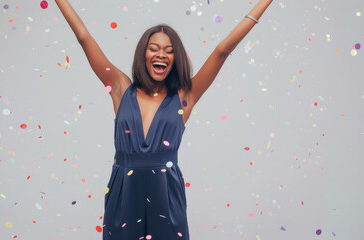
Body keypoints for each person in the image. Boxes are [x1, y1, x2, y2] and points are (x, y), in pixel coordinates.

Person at [55, 0, 273, 239]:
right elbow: (84, 38)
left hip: (166, 196)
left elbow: (222, 50)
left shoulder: (184, 96)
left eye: (169, 51)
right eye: (154, 48)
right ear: (144, 54)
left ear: (176, 58)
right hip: (123, 194)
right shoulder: (120, 88)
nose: (161, 54)